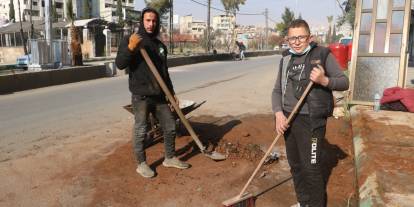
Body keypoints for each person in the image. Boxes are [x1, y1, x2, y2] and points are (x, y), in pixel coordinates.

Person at [271, 19, 349, 207]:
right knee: (296, 166)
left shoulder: (322, 54)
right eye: (292, 38)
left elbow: (343, 82)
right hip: (289, 120)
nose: (297, 42)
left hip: (312, 121)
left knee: (311, 168)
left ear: (310, 37)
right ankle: (303, 202)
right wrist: (278, 114)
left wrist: (323, 80)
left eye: (301, 37)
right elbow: (276, 91)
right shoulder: (286, 59)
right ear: (287, 40)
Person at [115, 7, 190, 178]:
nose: (151, 24)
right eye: (148, 20)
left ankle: (169, 158)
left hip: (160, 95)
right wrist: (130, 48)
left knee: (170, 126)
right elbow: (120, 64)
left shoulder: (159, 46)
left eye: (154, 21)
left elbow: (164, 73)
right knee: (141, 130)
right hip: (141, 95)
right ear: (142, 21)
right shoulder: (131, 39)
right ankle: (141, 164)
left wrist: (172, 93)